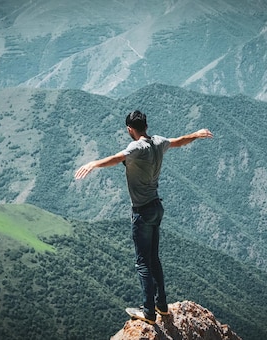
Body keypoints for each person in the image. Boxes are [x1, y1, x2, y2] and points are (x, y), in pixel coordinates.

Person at [74, 110, 213, 324]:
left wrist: (93, 163)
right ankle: (162, 305)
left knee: (142, 263)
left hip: (142, 211)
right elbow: (179, 141)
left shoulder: (136, 147)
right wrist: (196, 133)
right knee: (154, 258)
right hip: (157, 207)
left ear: (130, 129)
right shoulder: (158, 142)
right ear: (146, 125)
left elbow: (117, 158)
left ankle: (148, 311)